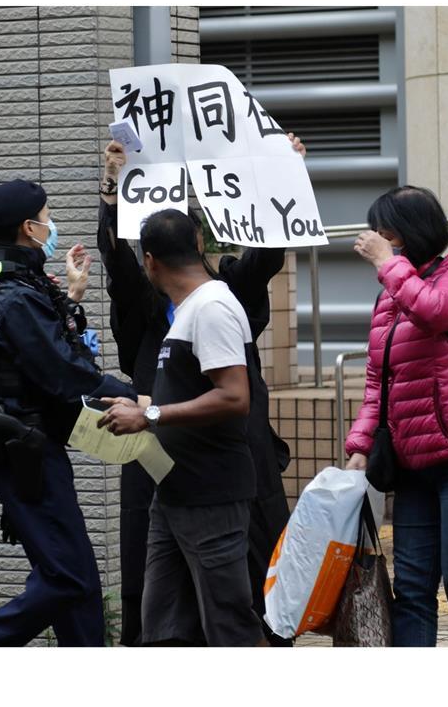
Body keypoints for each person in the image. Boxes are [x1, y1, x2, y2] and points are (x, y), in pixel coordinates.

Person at [96, 135, 305, 646]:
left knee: (233, 594)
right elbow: (117, 264)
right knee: (161, 605)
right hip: (162, 469)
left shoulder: (217, 300)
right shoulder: (149, 302)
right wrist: (110, 189)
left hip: (218, 464)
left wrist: (283, 176)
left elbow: (263, 258)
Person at [0, 179, 139, 647]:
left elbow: (36, 342)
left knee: (76, 581)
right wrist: (138, 396)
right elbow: (62, 372)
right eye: (46, 217)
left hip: (22, 441)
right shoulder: (12, 291)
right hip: (23, 445)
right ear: (27, 228)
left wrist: (72, 295)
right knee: (68, 577)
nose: (50, 225)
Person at [344, 185, 448, 647]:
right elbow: (379, 380)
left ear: (411, 232)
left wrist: (387, 263)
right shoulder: (389, 297)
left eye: (386, 231)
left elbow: (436, 312)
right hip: (414, 462)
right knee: (413, 591)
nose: (378, 239)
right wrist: (360, 446)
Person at [98, 209, 264, 647]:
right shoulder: (189, 309)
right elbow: (189, 390)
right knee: (162, 625)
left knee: (229, 623)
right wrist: (140, 403)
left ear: (149, 260)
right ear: (197, 244)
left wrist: (149, 416)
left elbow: (234, 397)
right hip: (173, 493)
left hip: (212, 494)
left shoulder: (212, 307)